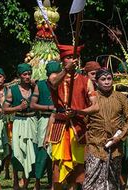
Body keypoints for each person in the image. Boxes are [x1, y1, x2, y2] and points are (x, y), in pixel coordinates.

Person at [47, 44, 99, 190]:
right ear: (63, 61)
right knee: (58, 167)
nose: (73, 60)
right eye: (69, 57)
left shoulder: (86, 81)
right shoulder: (55, 78)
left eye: (75, 57)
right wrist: (65, 70)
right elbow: (53, 84)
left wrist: (78, 112)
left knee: (77, 169)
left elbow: (96, 106)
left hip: (78, 127)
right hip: (60, 127)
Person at [82, 68, 128, 190]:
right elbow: (83, 120)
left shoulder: (120, 97)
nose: (107, 82)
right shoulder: (91, 98)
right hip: (95, 145)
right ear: (96, 82)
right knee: (90, 181)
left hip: (115, 147)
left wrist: (119, 137)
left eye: (109, 79)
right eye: (103, 79)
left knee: (112, 182)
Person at [3, 63, 37, 190]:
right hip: (18, 121)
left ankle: (26, 182)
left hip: (32, 121)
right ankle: (15, 181)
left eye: (29, 74)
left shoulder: (35, 88)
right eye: (25, 74)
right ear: (19, 76)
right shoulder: (13, 90)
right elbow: (5, 109)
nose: (27, 76)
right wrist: (18, 107)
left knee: (30, 152)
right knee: (17, 152)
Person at [30, 61, 61, 190]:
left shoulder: (63, 84)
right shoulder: (40, 85)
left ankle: (53, 183)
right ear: (47, 75)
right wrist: (49, 107)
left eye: (56, 74)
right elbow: (32, 104)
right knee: (43, 151)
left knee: (56, 152)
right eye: (51, 75)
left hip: (59, 120)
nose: (54, 78)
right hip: (44, 120)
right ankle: (37, 181)